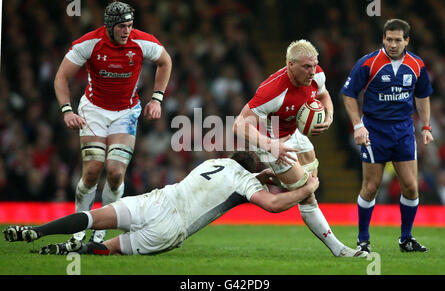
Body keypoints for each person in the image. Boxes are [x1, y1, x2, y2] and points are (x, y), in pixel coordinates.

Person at [3, 151, 342, 257]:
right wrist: (306, 188)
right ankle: (66, 251)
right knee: (108, 249)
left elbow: (249, 173)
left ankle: (36, 232)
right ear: (254, 170)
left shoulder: (218, 161)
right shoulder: (245, 182)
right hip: (170, 228)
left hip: (157, 200)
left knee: (92, 218)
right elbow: (272, 205)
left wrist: (265, 172)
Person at [233, 40, 364, 258]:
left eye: (314, 65)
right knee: (306, 192)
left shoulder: (317, 75)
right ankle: (339, 249)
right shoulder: (272, 91)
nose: (312, 71)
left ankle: (271, 177)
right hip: (271, 139)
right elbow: (239, 125)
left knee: (309, 176)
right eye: (306, 67)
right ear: (290, 65)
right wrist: (271, 145)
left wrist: (329, 116)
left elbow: (324, 96)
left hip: (295, 133)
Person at [53, 1, 172, 243]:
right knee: (92, 171)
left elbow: (165, 61)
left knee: (116, 173)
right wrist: (67, 111)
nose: (126, 31)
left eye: (129, 25)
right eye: (121, 26)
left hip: (126, 112)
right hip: (94, 111)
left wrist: (157, 99)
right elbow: (61, 77)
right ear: (109, 25)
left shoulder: (142, 41)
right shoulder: (89, 43)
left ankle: (100, 231)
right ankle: (77, 230)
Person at [341, 19, 433, 253]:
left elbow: (422, 96)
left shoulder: (417, 65)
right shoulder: (368, 63)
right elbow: (348, 94)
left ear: (407, 41)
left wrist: (426, 127)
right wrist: (357, 125)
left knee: (411, 187)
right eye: (389, 39)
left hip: (403, 131)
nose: (393, 44)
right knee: (371, 187)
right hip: (375, 131)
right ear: (383, 39)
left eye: (397, 40)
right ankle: (363, 240)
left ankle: (406, 239)